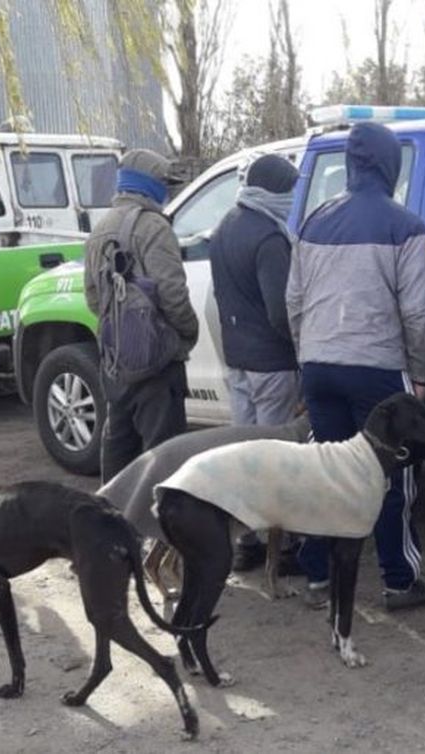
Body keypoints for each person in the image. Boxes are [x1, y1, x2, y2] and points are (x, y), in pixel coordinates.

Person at [284, 122, 425, 612]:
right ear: (390, 166)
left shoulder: (313, 222)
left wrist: (306, 355)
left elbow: (294, 300)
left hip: (318, 364)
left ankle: (318, 577)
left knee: (324, 471)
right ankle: (399, 581)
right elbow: (419, 313)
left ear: (350, 165)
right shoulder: (405, 226)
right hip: (377, 369)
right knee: (388, 475)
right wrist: (421, 377)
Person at [208, 153, 303, 571]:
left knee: (243, 453)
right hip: (271, 361)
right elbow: (281, 312)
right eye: (290, 191)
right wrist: (302, 351)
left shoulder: (226, 225)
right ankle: (279, 549)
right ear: (275, 191)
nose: (292, 199)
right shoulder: (268, 237)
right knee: (274, 458)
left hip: (239, 359)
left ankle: (245, 541)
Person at [83, 149, 201, 483]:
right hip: (158, 364)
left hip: (115, 361)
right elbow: (173, 294)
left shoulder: (100, 228)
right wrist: (186, 335)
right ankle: (159, 529)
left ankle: (115, 519)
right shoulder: (154, 227)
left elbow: (93, 297)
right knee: (164, 456)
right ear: (149, 184)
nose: (169, 192)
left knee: (119, 444)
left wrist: (122, 331)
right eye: (166, 184)